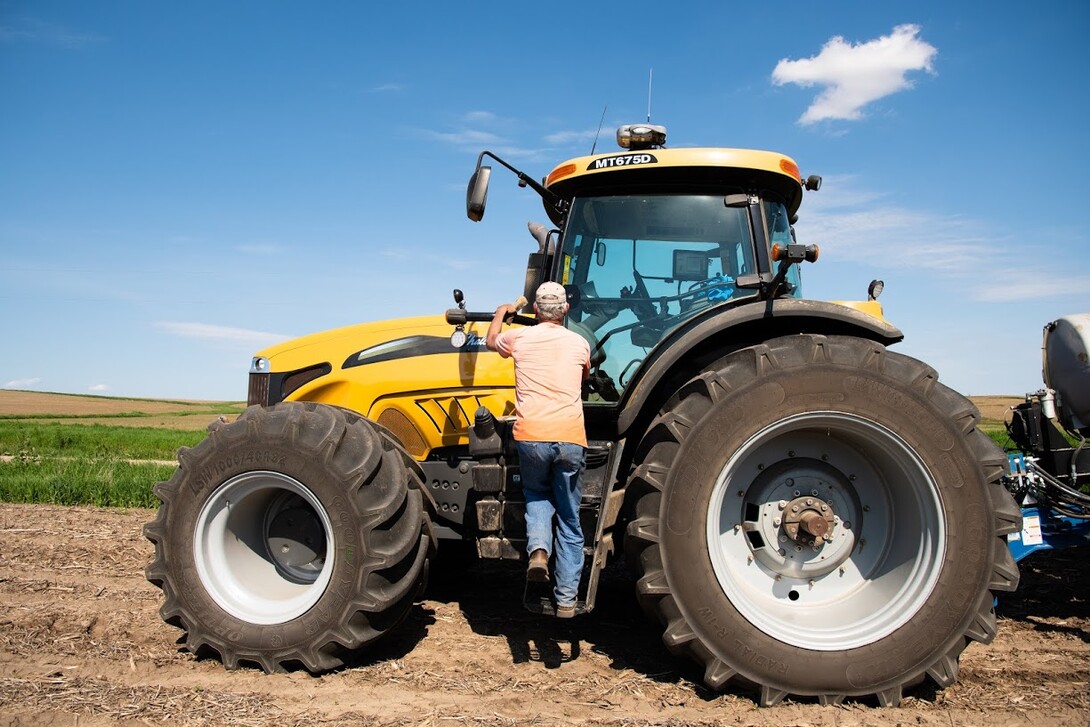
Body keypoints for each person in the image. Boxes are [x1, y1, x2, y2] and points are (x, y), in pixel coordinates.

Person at [487, 281, 591, 618]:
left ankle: (539, 551)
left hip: (531, 436)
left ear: (534, 310)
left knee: (536, 495)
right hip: (571, 437)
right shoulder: (579, 342)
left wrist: (503, 311)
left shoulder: (519, 337)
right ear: (565, 310)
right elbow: (584, 376)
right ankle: (565, 601)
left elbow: (491, 341)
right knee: (571, 520)